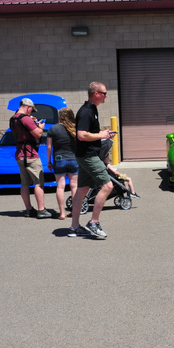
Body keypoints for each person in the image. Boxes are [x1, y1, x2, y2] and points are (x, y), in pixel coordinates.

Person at [69, 82, 117, 239]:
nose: (106, 96)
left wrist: (103, 133)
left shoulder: (92, 109)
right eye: (104, 93)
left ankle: (74, 227)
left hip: (86, 155)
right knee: (108, 186)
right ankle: (93, 222)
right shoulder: (86, 111)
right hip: (88, 156)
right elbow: (81, 135)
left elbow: (89, 133)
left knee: (82, 189)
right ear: (96, 94)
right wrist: (101, 135)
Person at [10, 97, 50, 219]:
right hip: (30, 155)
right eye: (32, 110)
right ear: (28, 107)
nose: (31, 112)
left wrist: (33, 124)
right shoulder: (26, 119)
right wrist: (40, 127)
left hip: (20, 154)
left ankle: (28, 209)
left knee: (24, 183)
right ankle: (41, 210)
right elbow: (38, 134)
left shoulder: (13, 119)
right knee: (39, 182)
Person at [47, 107, 79, 220]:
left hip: (59, 159)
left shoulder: (53, 129)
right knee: (74, 186)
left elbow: (49, 147)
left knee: (60, 187)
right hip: (74, 159)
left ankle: (62, 213)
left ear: (60, 116)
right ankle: (74, 212)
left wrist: (49, 161)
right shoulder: (76, 128)